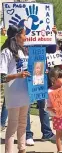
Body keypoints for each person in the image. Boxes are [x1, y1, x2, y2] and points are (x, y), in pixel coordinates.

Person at [0, 25, 30, 153]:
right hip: (13, 93)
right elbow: (2, 77)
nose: (25, 37)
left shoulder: (24, 51)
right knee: (13, 125)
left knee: (23, 122)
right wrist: (17, 75)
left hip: (26, 92)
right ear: (17, 36)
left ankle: (22, 149)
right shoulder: (6, 52)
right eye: (23, 34)